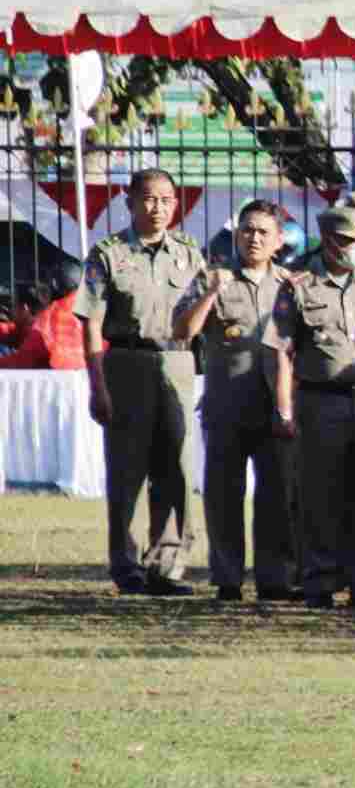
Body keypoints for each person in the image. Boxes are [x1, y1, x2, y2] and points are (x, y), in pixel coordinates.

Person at [76, 168, 205, 595]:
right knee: (127, 470)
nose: (159, 208)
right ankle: (127, 565)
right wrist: (98, 386)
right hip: (127, 364)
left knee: (177, 468)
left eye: (167, 200)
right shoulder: (108, 254)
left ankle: (166, 565)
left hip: (177, 362)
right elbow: (91, 324)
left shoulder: (189, 253)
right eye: (149, 199)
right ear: (130, 202)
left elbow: (206, 313)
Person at [272, 204, 355, 610]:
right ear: (329, 241)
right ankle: (319, 581)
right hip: (321, 400)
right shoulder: (300, 285)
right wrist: (284, 409)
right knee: (319, 495)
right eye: (350, 242)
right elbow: (284, 352)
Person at [174, 200, 296, 601]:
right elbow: (182, 331)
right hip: (227, 405)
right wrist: (210, 293)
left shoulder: (291, 285)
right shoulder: (214, 278)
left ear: (279, 240)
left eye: (263, 231)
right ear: (236, 235)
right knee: (223, 495)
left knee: (276, 494)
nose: (254, 237)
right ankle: (227, 577)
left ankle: (274, 578)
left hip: (274, 406)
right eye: (247, 229)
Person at [1, 266, 87, 371]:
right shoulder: (89, 313)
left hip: (62, 384)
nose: (10, 310)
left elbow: (20, 361)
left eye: (13, 305)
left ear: (25, 308)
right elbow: (12, 331)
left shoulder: (46, 325)